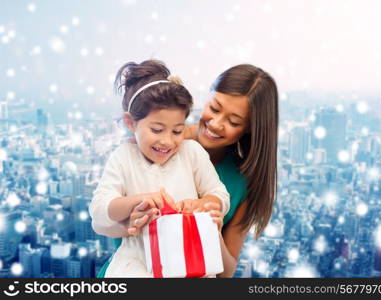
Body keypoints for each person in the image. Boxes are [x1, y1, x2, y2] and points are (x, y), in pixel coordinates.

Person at [93, 63, 279, 277]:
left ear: (250, 128)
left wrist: (209, 223)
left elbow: (225, 273)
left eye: (234, 121)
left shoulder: (236, 180)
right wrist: (133, 221)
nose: (217, 123)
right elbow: (100, 220)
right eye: (215, 108)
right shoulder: (146, 145)